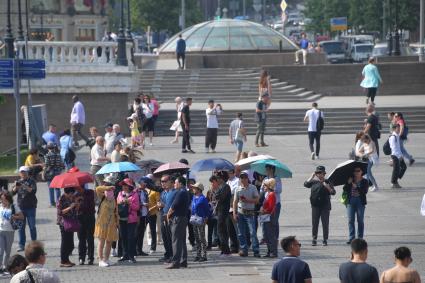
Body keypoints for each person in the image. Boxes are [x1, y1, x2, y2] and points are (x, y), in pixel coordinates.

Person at [304, 166, 336, 246]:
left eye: (320, 173)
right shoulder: (313, 181)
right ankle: (314, 239)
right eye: (317, 173)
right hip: (315, 205)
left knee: (325, 223)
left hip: (325, 206)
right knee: (315, 223)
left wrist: (327, 186)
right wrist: (311, 176)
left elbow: (333, 192)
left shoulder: (328, 181)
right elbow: (305, 184)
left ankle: (325, 239)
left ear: (324, 174)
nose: (319, 174)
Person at [233, 171, 260, 257]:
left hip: (250, 212)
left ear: (247, 178)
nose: (243, 179)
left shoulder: (253, 187)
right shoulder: (238, 189)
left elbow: (257, 200)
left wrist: (247, 200)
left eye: (245, 178)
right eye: (241, 178)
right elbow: (235, 201)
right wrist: (234, 212)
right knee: (241, 233)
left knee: (252, 232)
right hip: (241, 212)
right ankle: (244, 249)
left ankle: (256, 250)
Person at [94, 176, 119, 267]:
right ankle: (100, 260)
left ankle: (106, 259)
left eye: (111, 184)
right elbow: (97, 188)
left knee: (109, 241)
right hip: (102, 222)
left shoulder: (114, 197)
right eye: (107, 184)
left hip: (111, 223)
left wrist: (117, 221)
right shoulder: (102, 196)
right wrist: (107, 187)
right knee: (101, 241)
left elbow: (116, 210)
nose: (109, 187)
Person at [166, 177, 190, 269]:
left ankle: (175, 262)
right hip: (182, 218)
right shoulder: (185, 192)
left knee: (176, 240)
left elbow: (174, 205)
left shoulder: (181, 192)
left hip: (178, 218)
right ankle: (183, 261)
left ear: (180, 183)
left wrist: (168, 214)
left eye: (176, 183)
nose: (174, 184)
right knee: (182, 241)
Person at [12, 166, 37, 252]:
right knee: (21, 227)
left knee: (32, 227)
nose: (22, 174)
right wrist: (16, 187)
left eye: (24, 172)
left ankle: (34, 245)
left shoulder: (32, 181)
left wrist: (23, 185)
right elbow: (12, 193)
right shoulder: (18, 182)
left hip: (31, 207)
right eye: (21, 172)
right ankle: (21, 245)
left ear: (27, 173)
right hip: (20, 207)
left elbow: (33, 191)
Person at [343, 166, 369, 244]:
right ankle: (352, 238)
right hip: (350, 201)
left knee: (360, 220)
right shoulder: (351, 179)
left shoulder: (365, 181)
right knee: (351, 220)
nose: (356, 172)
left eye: (358, 171)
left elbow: (364, 191)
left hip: (360, 202)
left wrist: (356, 187)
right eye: (355, 171)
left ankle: (360, 238)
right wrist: (348, 183)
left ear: (361, 172)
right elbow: (345, 189)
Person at [117, 178, 140, 263]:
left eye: (126, 185)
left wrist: (129, 203)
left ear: (130, 186)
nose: (124, 187)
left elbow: (137, 207)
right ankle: (125, 255)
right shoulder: (120, 193)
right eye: (123, 185)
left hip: (131, 219)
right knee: (123, 237)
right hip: (122, 218)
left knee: (131, 237)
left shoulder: (135, 194)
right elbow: (117, 203)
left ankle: (131, 255)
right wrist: (122, 201)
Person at [0, 192, 24, 274]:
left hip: (10, 231)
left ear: (8, 199)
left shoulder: (14, 206)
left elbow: (22, 216)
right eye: (1, 199)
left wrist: (13, 216)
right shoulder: (0, 206)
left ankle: (5, 267)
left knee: (7, 251)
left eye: (4, 199)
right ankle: (0, 268)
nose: (2, 200)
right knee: (0, 250)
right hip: (0, 230)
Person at [57, 187, 80, 267]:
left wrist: (76, 205)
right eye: (70, 194)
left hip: (71, 222)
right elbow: (60, 212)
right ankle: (63, 261)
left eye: (72, 194)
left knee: (71, 244)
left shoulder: (73, 198)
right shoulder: (61, 199)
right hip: (63, 223)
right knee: (65, 242)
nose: (71, 195)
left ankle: (67, 260)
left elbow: (76, 210)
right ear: (66, 193)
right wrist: (70, 207)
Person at [211, 173, 232, 257]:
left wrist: (215, 192)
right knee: (220, 231)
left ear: (221, 179)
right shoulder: (221, 187)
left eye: (218, 178)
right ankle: (223, 249)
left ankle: (226, 251)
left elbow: (220, 197)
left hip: (224, 211)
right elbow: (215, 197)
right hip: (219, 211)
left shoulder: (226, 187)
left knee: (222, 231)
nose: (217, 180)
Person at [157, 175, 176, 263]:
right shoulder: (163, 192)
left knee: (170, 236)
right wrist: (159, 204)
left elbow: (173, 205)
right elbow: (161, 202)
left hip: (171, 217)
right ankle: (167, 254)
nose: (162, 183)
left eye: (164, 181)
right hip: (162, 215)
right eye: (162, 181)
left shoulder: (174, 192)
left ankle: (172, 255)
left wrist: (163, 205)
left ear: (171, 182)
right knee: (164, 236)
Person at [190, 182, 209, 262]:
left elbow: (207, 209)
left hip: (201, 219)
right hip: (194, 219)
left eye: (194, 188)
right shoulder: (194, 197)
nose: (193, 189)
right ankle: (198, 254)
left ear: (198, 189)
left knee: (202, 237)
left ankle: (204, 255)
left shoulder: (203, 198)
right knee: (196, 237)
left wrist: (206, 218)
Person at [77, 185, 95, 266]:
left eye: (78, 188)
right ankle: (81, 258)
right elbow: (75, 209)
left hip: (90, 217)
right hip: (80, 218)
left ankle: (90, 258)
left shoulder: (90, 192)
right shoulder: (75, 195)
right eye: (76, 188)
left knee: (90, 239)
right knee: (81, 239)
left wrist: (81, 201)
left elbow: (89, 205)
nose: (77, 189)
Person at [259, 178, 277, 258]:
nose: (263, 186)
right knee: (266, 235)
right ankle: (269, 251)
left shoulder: (271, 194)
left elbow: (271, 207)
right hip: (266, 216)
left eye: (265, 185)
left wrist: (264, 211)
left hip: (269, 216)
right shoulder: (266, 194)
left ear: (269, 186)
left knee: (270, 235)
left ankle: (273, 252)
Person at [44, 142, 64, 207]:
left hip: (50, 173)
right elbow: (61, 164)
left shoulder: (47, 155)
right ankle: (59, 202)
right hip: (58, 173)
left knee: (51, 188)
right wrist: (59, 170)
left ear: (48, 148)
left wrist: (44, 170)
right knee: (57, 188)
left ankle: (52, 203)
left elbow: (47, 164)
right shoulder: (58, 154)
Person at [389, 124, 407, 189]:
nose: (399, 129)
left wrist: (401, 155)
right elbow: (393, 148)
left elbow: (398, 147)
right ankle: (394, 183)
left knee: (403, 167)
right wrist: (399, 156)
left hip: (398, 155)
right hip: (395, 155)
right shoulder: (393, 137)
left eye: (399, 128)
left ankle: (396, 180)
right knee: (396, 169)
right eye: (398, 128)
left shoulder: (397, 136)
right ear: (394, 129)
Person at [145, 178, 160, 254]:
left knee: (153, 230)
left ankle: (153, 247)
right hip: (143, 214)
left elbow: (158, 204)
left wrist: (151, 208)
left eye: (144, 183)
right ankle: (138, 249)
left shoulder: (155, 192)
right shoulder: (142, 192)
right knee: (141, 231)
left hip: (152, 214)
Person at [136, 178, 149, 256]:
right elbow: (135, 202)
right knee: (136, 233)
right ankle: (135, 250)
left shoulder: (145, 192)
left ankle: (140, 250)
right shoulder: (136, 192)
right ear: (140, 184)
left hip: (145, 214)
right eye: (144, 183)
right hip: (138, 215)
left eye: (146, 183)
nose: (145, 185)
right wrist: (143, 204)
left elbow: (147, 201)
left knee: (141, 233)